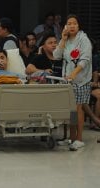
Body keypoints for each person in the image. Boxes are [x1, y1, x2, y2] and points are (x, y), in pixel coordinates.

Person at [53, 14, 92, 151]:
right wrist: (62, 40)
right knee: (68, 109)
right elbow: (56, 56)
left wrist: (74, 74)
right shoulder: (66, 39)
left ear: (78, 25)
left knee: (77, 108)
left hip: (81, 80)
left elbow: (85, 60)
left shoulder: (84, 39)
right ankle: (70, 137)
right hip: (67, 79)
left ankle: (79, 139)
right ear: (65, 26)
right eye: (69, 23)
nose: (72, 26)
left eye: (74, 23)